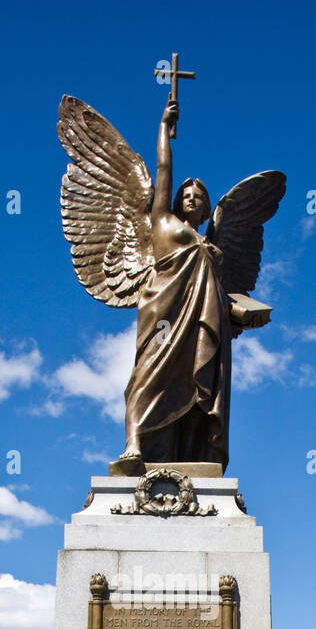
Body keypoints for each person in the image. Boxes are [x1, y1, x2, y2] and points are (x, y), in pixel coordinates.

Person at [119, 99, 232, 469]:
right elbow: (164, 169)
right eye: (186, 195)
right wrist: (163, 128)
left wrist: (242, 316)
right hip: (162, 314)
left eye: (198, 197)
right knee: (148, 376)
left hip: (199, 324)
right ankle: (133, 445)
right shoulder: (162, 224)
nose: (191, 199)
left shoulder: (209, 247)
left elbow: (217, 297)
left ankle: (182, 456)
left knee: (190, 385)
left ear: (205, 208)